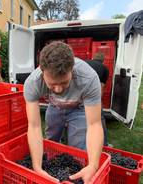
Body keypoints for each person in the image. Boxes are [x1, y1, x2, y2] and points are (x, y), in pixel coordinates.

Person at [24, 41, 103, 183]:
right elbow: (34, 126)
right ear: (42, 73)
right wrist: (37, 167)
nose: (59, 89)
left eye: (64, 82)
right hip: (54, 106)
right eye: (52, 84)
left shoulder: (89, 78)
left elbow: (94, 124)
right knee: (50, 142)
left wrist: (93, 165)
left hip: (79, 108)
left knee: (79, 149)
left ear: (72, 70)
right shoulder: (32, 83)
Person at [86, 52, 109, 146]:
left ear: (92, 57)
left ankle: (64, 141)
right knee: (100, 119)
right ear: (103, 61)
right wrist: (98, 100)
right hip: (92, 96)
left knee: (71, 116)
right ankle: (104, 143)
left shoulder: (85, 63)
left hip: (79, 94)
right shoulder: (105, 69)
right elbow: (102, 86)